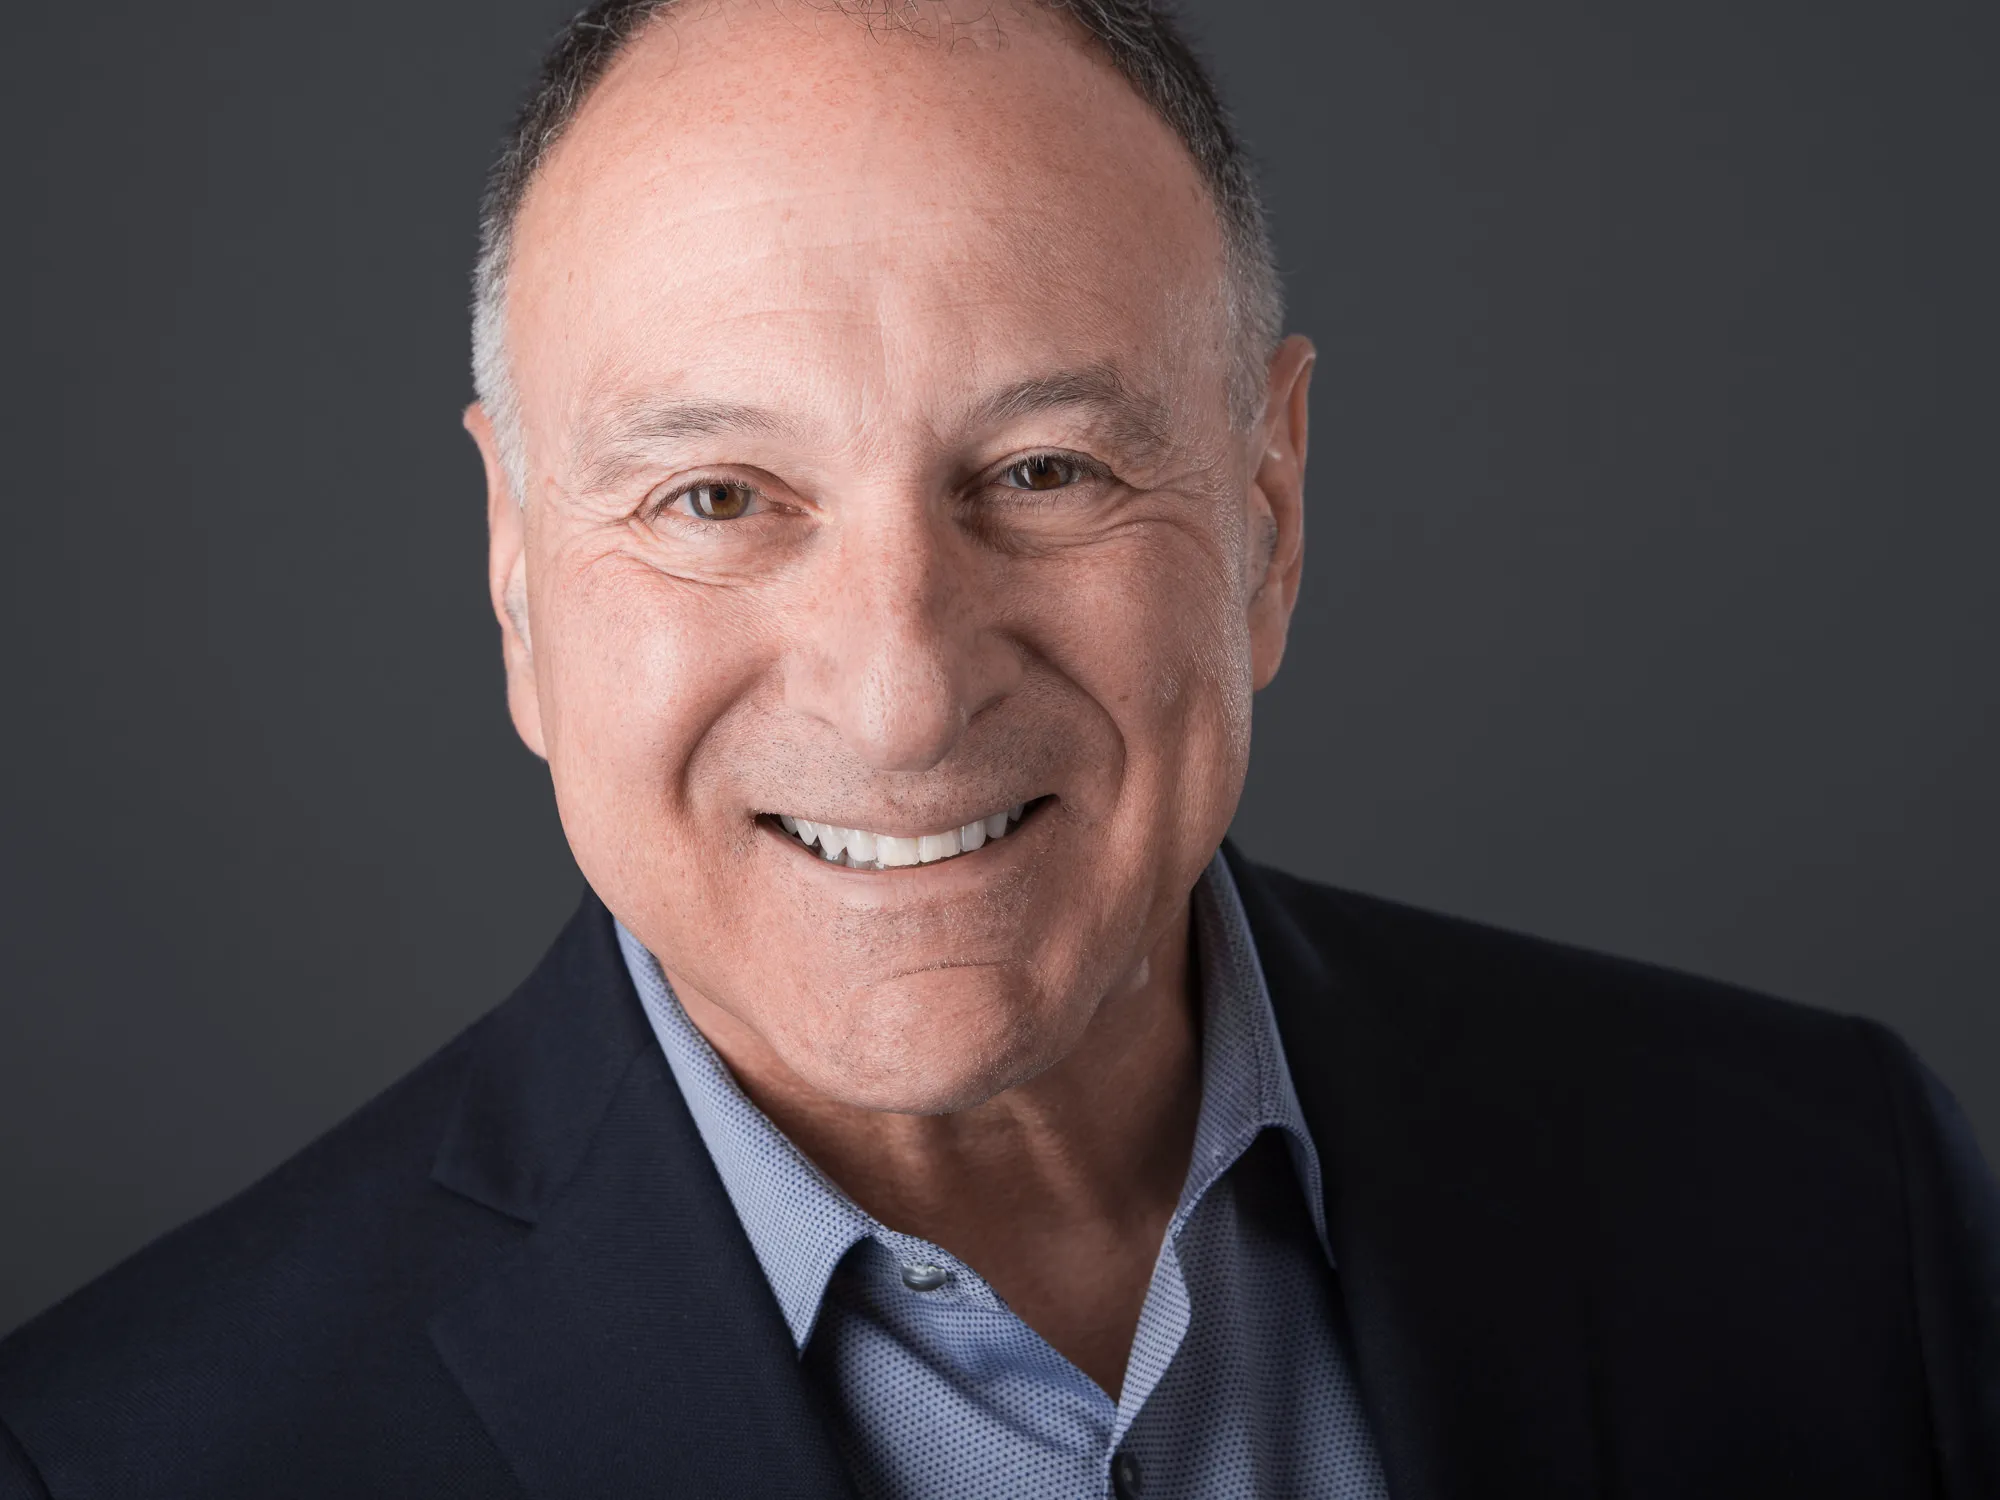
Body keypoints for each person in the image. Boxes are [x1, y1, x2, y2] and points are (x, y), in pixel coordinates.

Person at [2, 1, 1994, 1495]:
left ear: (1269, 511)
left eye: (1045, 471)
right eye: (716, 499)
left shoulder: (1834, 1211)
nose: (900, 693)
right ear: (517, 573)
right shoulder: (122, 1461)